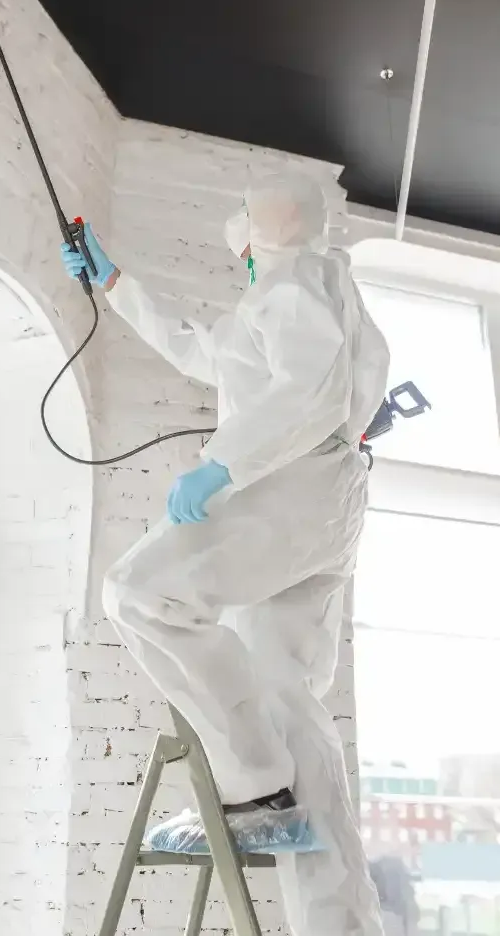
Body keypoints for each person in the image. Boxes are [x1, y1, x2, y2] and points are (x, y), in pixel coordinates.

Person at [61, 168, 390, 935]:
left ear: (254, 242)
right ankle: (339, 921)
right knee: (289, 704)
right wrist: (113, 284)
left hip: (296, 487)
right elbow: (201, 352)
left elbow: (306, 392)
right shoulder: (310, 293)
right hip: (326, 496)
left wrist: (225, 462)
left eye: (241, 250)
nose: (238, 264)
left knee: (139, 593)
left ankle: (254, 788)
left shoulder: (294, 281)